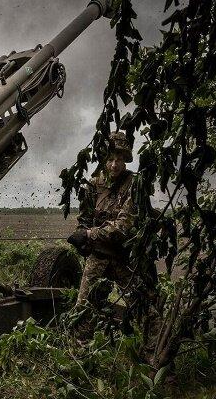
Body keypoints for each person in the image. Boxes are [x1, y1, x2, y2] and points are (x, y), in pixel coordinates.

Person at [67, 131, 160, 359]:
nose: (114, 164)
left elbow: (122, 227)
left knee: (144, 309)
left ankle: (156, 360)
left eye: (119, 159)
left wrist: (89, 234)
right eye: (110, 159)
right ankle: (79, 361)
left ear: (126, 159)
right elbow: (85, 218)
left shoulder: (134, 184)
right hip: (98, 257)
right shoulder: (94, 184)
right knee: (83, 311)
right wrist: (82, 234)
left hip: (124, 258)